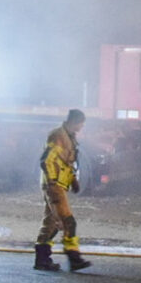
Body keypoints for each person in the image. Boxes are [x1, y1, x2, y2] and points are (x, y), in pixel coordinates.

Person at [33, 108, 92, 272]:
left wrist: (73, 180)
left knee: (51, 222)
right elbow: (47, 160)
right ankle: (74, 257)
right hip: (54, 186)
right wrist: (52, 183)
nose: (81, 127)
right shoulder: (58, 136)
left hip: (57, 184)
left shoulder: (69, 136)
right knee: (68, 221)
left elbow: (66, 163)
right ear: (74, 122)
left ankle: (42, 259)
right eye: (81, 124)